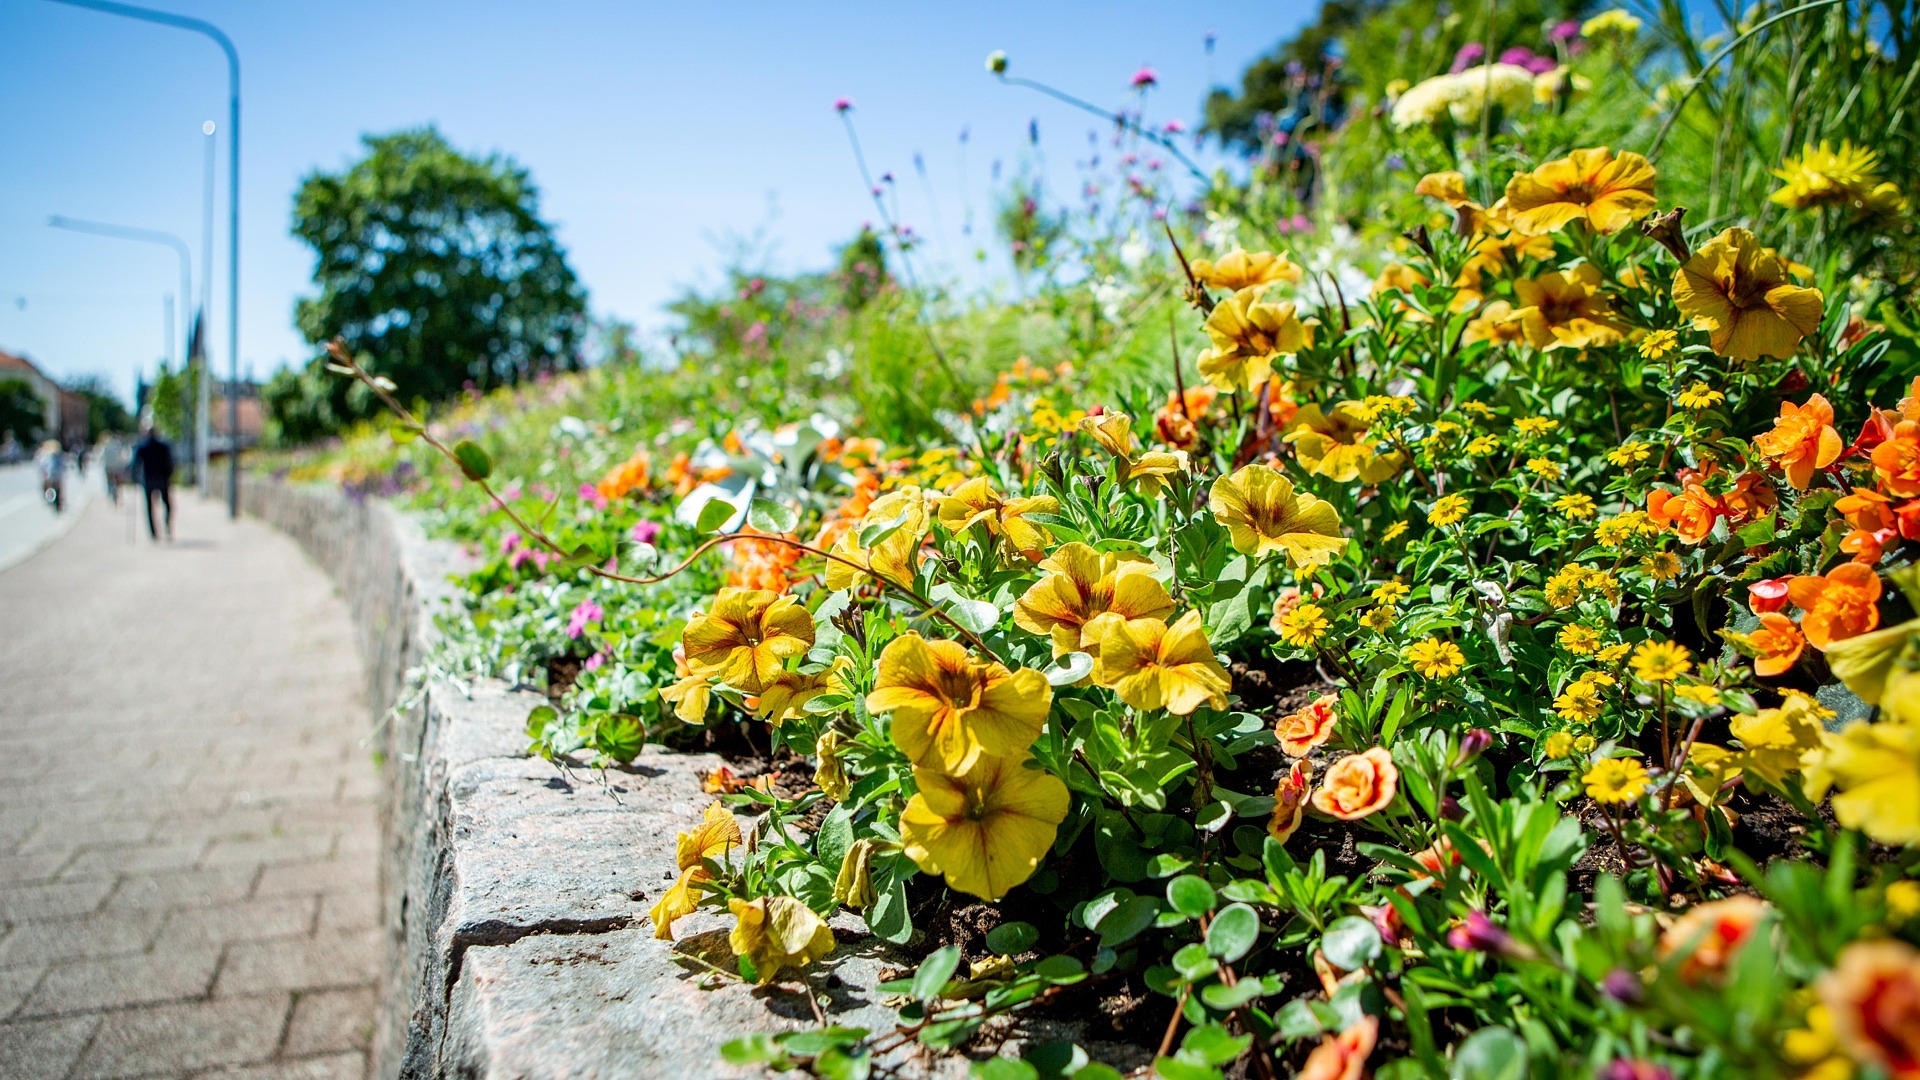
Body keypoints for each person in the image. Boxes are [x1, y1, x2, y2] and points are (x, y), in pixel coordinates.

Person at [130, 425, 174, 541]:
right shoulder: (163, 446)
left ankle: (153, 533)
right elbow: (170, 462)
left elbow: (135, 464)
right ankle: (166, 523)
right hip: (162, 479)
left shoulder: (142, 447)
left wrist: (134, 478)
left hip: (148, 480)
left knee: (149, 507)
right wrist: (169, 475)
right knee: (167, 504)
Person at [35, 440, 65, 513]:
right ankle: (55, 500)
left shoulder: (49, 456)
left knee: (54, 486)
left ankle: (54, 500)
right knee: (54, 486)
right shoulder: (51, 456)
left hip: (52, 475)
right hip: (54, 475)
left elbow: (42, 466)